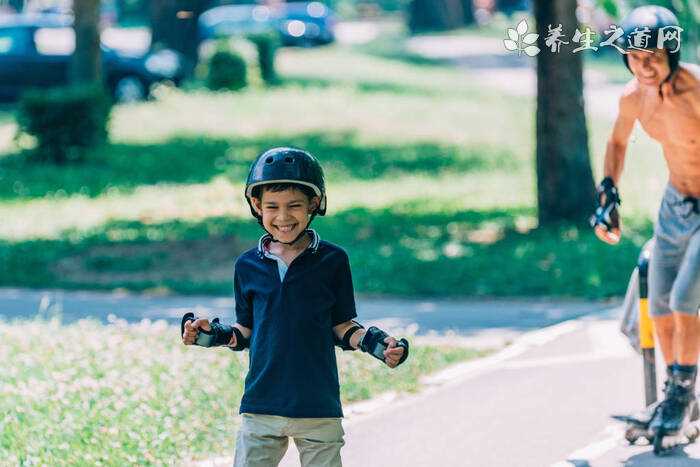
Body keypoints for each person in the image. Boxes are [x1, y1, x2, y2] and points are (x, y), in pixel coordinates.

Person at [182, 147, 409, 466]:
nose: (283, 217)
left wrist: (377, 344)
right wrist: (210, 334)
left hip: (317, 404)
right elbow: (245, 331)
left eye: (294, 206)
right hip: (262, 402)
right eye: (272, 206)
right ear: (257, 206)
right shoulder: (247, 265)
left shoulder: (333, 260)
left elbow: (342, 325)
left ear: (314, 205)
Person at [590, 5, 700, 448]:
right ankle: (678, 398)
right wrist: (608, 194)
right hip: (677, 199)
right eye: (635, 57)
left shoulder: (695, 90)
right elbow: (617, 140)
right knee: (658, 300)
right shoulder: (632, 97)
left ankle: (679, 394)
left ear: (671, 53)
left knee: (685, 298)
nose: (645, 65)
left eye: (653, 55)